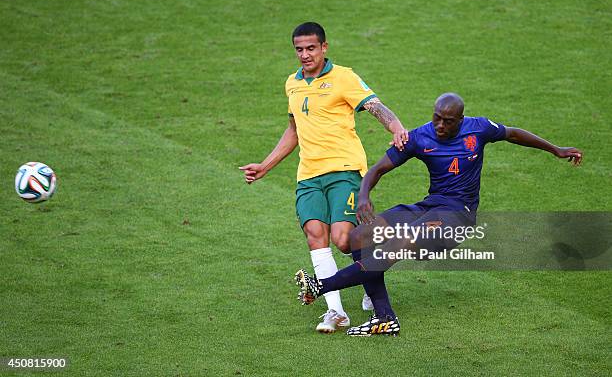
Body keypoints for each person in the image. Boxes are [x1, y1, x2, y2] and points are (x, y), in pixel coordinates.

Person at [294, 92, 583, 336]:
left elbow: (513, 133)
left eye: (448, 121)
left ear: (460, 120)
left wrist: (555, 149)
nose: (440, 125)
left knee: (399, 243)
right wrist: (364, 197)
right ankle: (384, 317)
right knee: (359, 237)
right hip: (430, 206)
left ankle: (321, 286)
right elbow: (377, 169)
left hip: (458, 216)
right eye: (437, 117)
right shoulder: (419, 137)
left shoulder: (478, 129)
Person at [239, 22, 409, 333]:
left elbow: (375, 106)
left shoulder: (343, 77)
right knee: (315, 235)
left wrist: (396, 128)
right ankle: (335, 312)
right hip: (309, 176)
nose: (304, 54)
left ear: (324, 47)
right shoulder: (292, 83)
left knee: (343, 240)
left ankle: (372, 270)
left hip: (344, 170)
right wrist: (266, 165)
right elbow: (294, 130)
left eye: (310, 48)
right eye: (299, 49)